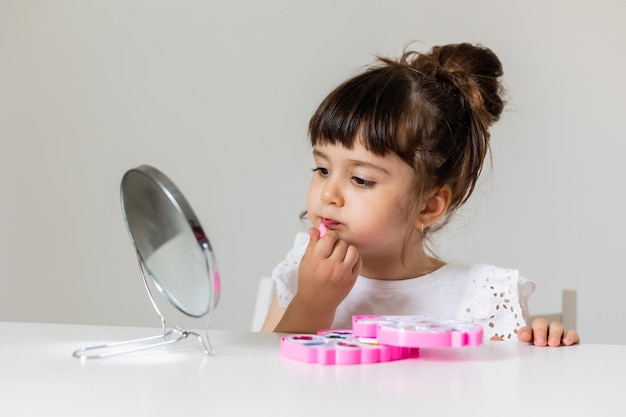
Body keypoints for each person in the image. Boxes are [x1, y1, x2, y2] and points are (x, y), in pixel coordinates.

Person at [261, 42, 579, 347]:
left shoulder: (482, 295)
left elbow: (506, 392)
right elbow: (263, 377)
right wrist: (312, 302)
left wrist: (541, 350)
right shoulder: (303, 269)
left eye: (360, 179)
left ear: (428, 206)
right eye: (322, 169)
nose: (328, 193)